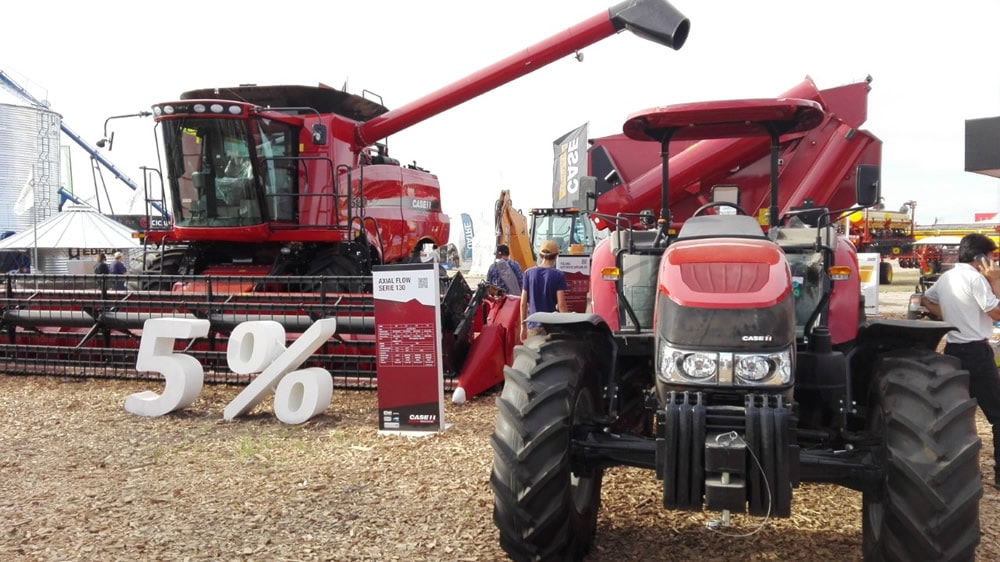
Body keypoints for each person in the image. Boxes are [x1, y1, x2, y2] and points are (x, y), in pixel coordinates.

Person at [921, 233, 1000, 488]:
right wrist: (996, 281)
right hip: (977, 353)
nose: (993, 262)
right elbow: (996, 312)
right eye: (991, 257)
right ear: (980, 258)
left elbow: (926, 300)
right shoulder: (977, 278)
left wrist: (951, 319)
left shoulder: (947, 277)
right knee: (997, 416)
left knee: (957, 416)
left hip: (953, 351)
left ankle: (959, 474)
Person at [520, 239, 568, 340]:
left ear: (540, 256)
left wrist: (522, 326)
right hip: (551, 326)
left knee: (533, 354)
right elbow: (561, 305)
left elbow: (523, 303)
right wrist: (567, 327)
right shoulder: (558, 275)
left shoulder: (528, 273)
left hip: (533, 326)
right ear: (556, 256)